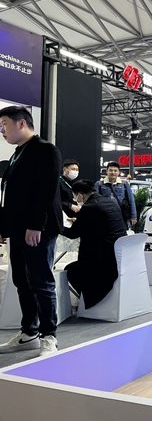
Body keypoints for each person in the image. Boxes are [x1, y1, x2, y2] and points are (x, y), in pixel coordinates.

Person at [0, 106, 62, 356]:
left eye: (4, 124)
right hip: (18, 229)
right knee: (21, 281)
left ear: (21, 123)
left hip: (38, 229)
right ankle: (29, 333)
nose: (2, 130)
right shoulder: (18, 153)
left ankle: (49, 335)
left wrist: (36, 225)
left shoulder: (45, 150)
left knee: (41, 281)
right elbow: (10, 196)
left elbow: (46, 190)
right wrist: (4, 228)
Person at [62, 180, 127, 309]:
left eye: (75, 196)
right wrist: (81, 221)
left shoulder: (89, 207)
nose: (75, 199)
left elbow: (73, 234)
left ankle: (88, 303)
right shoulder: (110, 202)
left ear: (80, 195)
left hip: (101, 262)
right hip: (117, 257)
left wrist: (57, 227)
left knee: (70, 270)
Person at [95, 161, 137, 229]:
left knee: (121, 233)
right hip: (104, 215)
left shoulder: (124, 184)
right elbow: (95, 201)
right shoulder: (99, 184)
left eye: (115, 170)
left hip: (121, 215)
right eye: (110, 170)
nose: (113, 172)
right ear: (107, 171)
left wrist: (133, 216)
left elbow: (131, 200)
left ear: (118, 172)